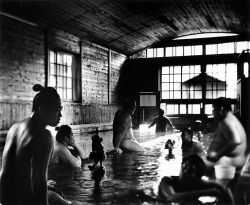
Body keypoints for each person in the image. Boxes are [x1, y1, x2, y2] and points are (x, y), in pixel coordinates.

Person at [0, 84, 71, 205]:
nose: (60, 115)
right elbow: (37, 182)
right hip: (22, 201)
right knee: (68, 203)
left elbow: (5, 174)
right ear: (41, 109)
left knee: (54, 191)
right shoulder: (44, 136)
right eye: (57, 110)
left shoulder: (14, 128)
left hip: (4, 198)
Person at [158, 154, 234, 204]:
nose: (185, 172)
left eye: (190, 171)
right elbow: (171, 197)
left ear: (197, 177)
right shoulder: (167, 181)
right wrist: (206, 192)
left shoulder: (197, 183)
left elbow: (223, 188)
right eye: (184, 167)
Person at [202, 97, 247, 174]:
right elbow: (222, 136)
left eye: (214, 109)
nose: (213, 112)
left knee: (196, 163)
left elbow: (236, 140)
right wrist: (208, 135)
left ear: (221, 109)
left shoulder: (226, 121)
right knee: (197, 160)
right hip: (233, 159)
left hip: (231, 160)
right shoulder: (229, 119)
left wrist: (217, 155)